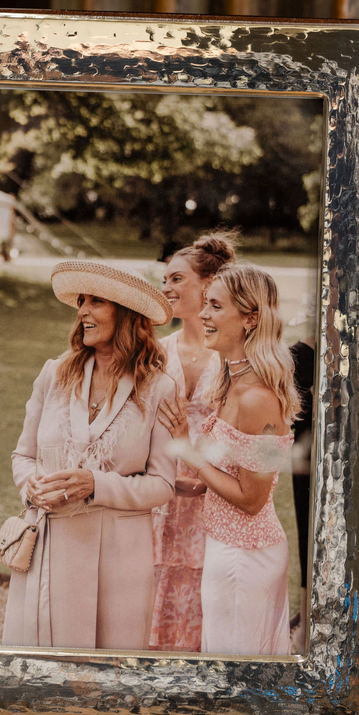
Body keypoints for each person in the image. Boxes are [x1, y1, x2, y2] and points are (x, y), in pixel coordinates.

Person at [2, 260, 178, 650]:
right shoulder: (54, 373)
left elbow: (163, 485)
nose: (82, 311)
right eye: (82, 301)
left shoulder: (159, 388)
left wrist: (95, 485)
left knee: (102, 680)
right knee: (40, 672)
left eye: (96, 301)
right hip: (48, 544)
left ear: (126, 313)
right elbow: (23, 455)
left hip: (117, 555)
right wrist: (29, 486)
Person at [159, 263, 299, 656]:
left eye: (215, 306)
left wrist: (186, 449)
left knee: (238, 679)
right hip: (225, 547)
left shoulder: (257, 398)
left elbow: (252, 499)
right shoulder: (231, 380)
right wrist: (180, 484)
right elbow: (230, 472)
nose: (202, 314)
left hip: (246, 558)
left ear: (251, 317)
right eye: (205, 304)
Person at [150, 233, 237, 652]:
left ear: (209, 284)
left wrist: (207, 477)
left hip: (214, 504)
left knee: (206, 608)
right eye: (164, 279)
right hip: (157, 501)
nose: (166, 288)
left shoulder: (234, 357)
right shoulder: (153, 353)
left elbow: (254, 438)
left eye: (176, 279)